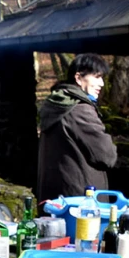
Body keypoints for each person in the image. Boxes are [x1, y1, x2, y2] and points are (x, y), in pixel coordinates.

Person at [36, 53, 119, 204]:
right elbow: (107, 156)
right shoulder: (79, 110)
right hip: (80, 201)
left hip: (57, 196)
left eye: (102, 78)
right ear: (78, 78)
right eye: (96, 77)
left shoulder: (57, 104)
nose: (101, 83)